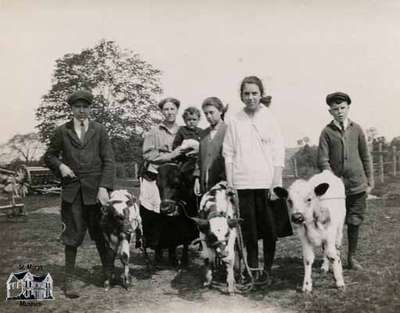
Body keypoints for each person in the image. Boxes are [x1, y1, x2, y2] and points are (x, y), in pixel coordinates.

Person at [44, 89, 115, 298]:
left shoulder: (99, 130)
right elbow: (48, 156)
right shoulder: (62, 131)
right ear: (72, 109)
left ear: (90, 108)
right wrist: (61, 166)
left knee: (101, 234)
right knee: (72, 236)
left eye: (85, 107)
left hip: (96, 192)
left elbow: (109, 161)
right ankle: (69, 281)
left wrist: (104, 187)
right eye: (77, 107)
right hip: (72, 192)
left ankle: (109, 273)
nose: (82, 111)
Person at [223, 76, 285, 284]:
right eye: (246, 94)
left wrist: (275, 184)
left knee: (269, 231)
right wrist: (231, 184)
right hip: (242, 184)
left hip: (266, 184)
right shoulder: (234, 120)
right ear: (241, 95)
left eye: (254, 93)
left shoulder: (270, 118)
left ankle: (267, 270)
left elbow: (278, 153)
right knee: (249, 232)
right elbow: (228, 154)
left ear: (261, 94)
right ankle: (252, 271)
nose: (250, 97)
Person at [317, 91, 374, 270]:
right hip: (335, 191)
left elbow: (365, 155)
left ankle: (352, 257)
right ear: (330, 111)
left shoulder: (356, 129)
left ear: (348, 108)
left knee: (355, 220)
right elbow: (323, 160)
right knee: (332, 222)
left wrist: (369, 179)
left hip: (357, 185)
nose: (340, 111)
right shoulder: (327, 132)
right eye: (335, 109)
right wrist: (332, 180)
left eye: (343, 108)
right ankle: (331, 257)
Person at [139, 97, 190, 264]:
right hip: (156, 175)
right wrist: (169, 156)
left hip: (175, 176)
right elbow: (147, 154)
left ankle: (174, 249)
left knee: (177, 213)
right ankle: (158, 249)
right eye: (166, 109)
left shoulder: (182, 130)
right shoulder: (154, 131)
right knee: (157, 213)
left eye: (172, 109)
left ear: (177, 111)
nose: (169, 112)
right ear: (162, 112)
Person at [194, 97, 227, 195]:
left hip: (223, 185)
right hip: (205, 185)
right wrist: (197, 179)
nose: (208, 116)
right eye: (206, 113)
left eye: (211, 112)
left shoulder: (229, 131)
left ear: (220, 111)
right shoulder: (203, 134)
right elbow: (199, 159)